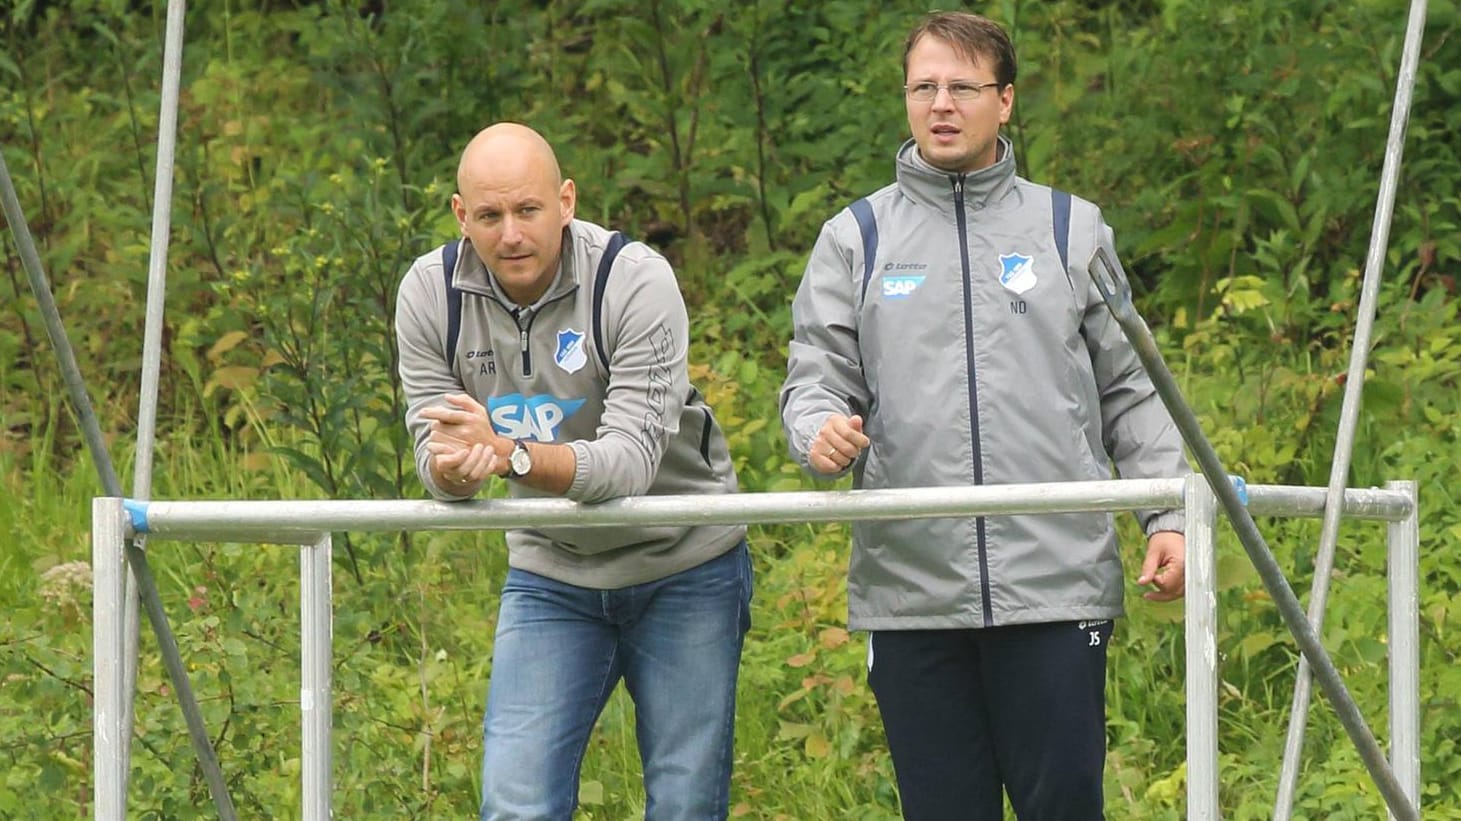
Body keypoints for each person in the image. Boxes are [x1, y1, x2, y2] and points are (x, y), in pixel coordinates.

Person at [779, 12, 1188, 821]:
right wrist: (817, 429)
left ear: (1004, 101)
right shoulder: (854, 237)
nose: (939, 104)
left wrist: (1166, 511)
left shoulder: (1071, 228)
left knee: (1063, 804)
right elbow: (813, 380)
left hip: (1054, 584)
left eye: (961, 87)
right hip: (911, 591)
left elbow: (1132, 389)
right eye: (923, 87)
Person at [395, 122, 751, 821]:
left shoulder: (634, 277)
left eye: (527, 211)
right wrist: (458, 467)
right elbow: (433, 458)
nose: (511, 235)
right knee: (514, 802)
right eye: (490, 217)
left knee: (684, 803)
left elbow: (628, 464)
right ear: (460, 216)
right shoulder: (430, 292)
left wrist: (509, 453)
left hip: (685, 559)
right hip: (550, 571)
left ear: (565, 200)